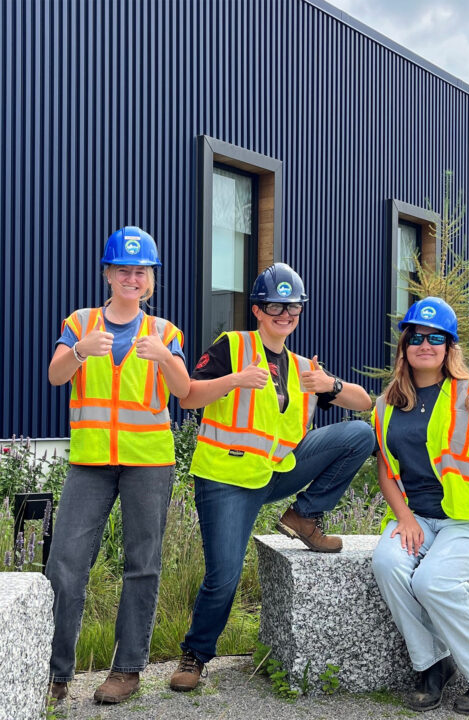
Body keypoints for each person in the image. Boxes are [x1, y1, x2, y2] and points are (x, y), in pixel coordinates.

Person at [168, 262, 376, 692]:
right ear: (259, 310)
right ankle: (195, 654)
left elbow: (366, 403)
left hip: (277, 471)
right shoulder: (232, 346)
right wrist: (234, 380)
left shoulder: (302, 366)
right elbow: (188, 396)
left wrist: (329, 384)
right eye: (276, 305)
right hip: (226, 479)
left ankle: (303, 516)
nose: (286, 314)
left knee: (359, 434)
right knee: (223, 577)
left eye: (294, 307)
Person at [45, 226, 191, 705]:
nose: (132, 277)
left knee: (141, 564)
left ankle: (126, 670)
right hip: (90, 463)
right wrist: (80, 351)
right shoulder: (80, 322)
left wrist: (164, 361)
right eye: (123, 269)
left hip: (148, 463)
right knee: (64, 564)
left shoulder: (165, 332)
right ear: (108, 274)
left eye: (141, 271)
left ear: (150, 280)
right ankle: (56, 672)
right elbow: (55, 375)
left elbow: (183, 391)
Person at [369, 297, 469, 716]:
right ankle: (433, 665)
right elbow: (386, 472)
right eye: (416, 337)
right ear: (405, 347)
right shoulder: (386, 404)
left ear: (449, 347)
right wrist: (405, 517)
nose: (425, 345)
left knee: (433, 581)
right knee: (388, 564)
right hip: (420, 519)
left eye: (436, 338)